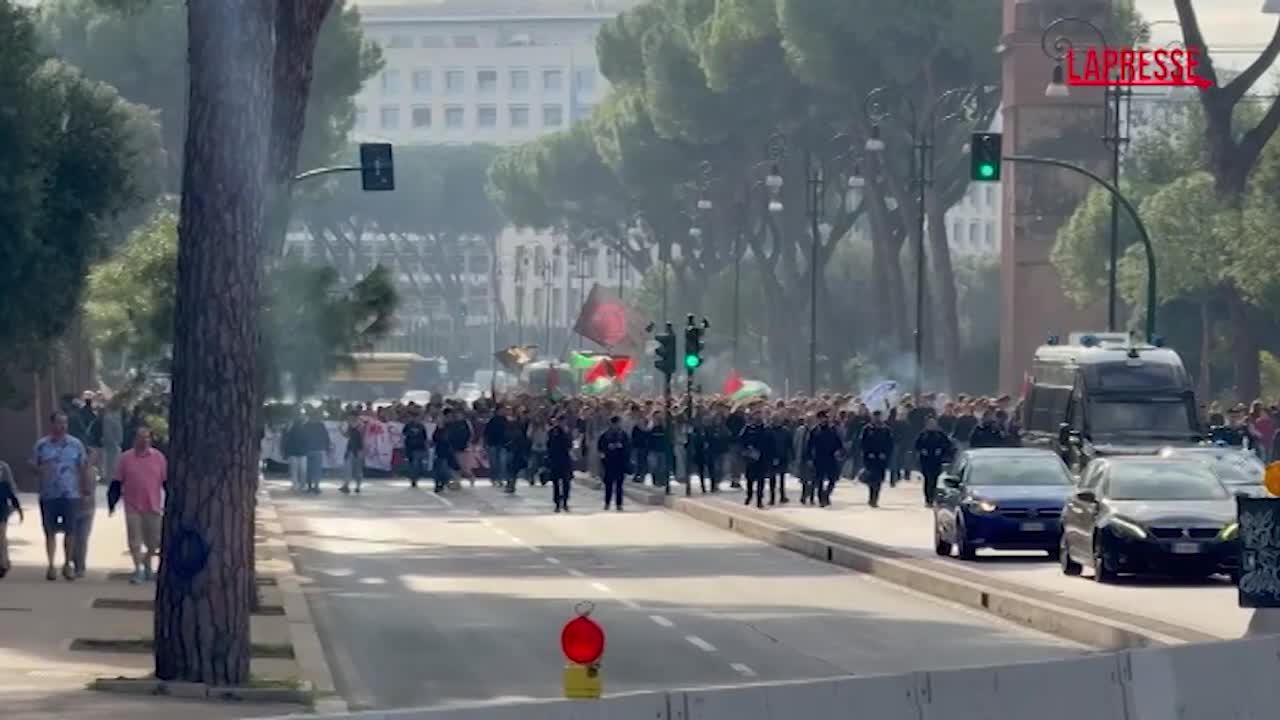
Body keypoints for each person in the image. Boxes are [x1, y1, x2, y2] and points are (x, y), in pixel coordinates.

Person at [30, 411, 91, 581]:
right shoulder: (42, 445)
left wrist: (85, 490)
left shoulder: (75, 444)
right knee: (49, 531)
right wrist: (40, 470)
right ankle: (51, 565)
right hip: (48, 494)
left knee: (70, 531)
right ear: (52, 424)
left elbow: (83, 467)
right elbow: (32, 465)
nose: (62, 426)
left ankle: (67, 564)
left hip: (70, 494)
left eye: (64, 423)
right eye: (58, 423)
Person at [111, 427, 166, 584]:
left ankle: (147, 561)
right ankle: (138, 569)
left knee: (154, 542)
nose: (144, 440)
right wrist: (112, 503)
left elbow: (166, 482)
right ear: (135, 439)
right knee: (135, 540)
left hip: (153, 505)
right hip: (132, 505)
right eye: (141, 437)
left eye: (147, 437)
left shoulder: (159, 458)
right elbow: (117, 482)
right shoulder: (125, 458)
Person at [915, 416, 954, 507]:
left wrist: (941, 449)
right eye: (930, 423)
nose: (932, 425)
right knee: (928, 480)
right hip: (925, 460)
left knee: (935, 479)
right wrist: (922, 450)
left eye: (933, 423)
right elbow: (917, 445)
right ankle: (928, 499)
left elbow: (948, 445)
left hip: (937, 460)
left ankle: (933, 497)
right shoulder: (923, 434)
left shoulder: (940, 434)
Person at [808, 410, 844, 507]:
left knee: (833, 478)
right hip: (819, 458)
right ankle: (821, 500)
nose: (824, 419)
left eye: (825, 417)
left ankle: (826, 494)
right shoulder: (815, 430)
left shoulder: (832, 429)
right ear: (819, 419)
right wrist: (809, 459)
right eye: (822, 418)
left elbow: (838, 442)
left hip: (831, 457)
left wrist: (839, 451)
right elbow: (810, 445)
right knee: (819, 480)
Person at [859, 411, 894, 508]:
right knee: (872, 478)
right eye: (875, 417)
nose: (877, 419)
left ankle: (875, 498)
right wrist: (868, 453)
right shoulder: (867, 429)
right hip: (870, 458)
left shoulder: (886, 429)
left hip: (882, 459)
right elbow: (863, 443)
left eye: (879, 417)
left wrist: (885, 454)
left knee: (879, 479)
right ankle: (872, 498)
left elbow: (890, 444)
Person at [739, 409, 772, 510]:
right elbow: (741, 439)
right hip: (751, 458)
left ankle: (759, 500)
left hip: (762, 457)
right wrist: (746, 449)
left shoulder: (766, 429)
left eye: (760, 415)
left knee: (761, 480)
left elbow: (771, 442)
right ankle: (749, 496)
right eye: (756, 415)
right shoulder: (748, 428)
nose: (758, 417)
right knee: (750, 479)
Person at [598, 416, 631, 511]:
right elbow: (600, 448)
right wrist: (607, 450)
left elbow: (628, 447)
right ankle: (607, 503)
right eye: (616, 423)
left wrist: (622, 448)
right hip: (609, 462)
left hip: (620, 462)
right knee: (608, 484)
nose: (617, 425)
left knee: (619, 485)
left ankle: (619, 504)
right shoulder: (605, 435)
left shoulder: (623, 435)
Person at [547, 414, 575, 512]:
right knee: (556, 483)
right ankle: (558, 503)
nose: (563, 423)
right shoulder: (553, 432)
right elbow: (550, 445)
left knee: (566, 482)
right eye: (561, 421)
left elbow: (570, 445)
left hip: (565, 460)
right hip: (556, 459)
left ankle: (565, 501)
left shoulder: (567, 432)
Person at [0, 459, 22, 578]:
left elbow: (12, 491)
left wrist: (16, 508)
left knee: (1, 536)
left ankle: (3, 562)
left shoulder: (3, 467)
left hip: (2, 509)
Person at [301, 408, 331, 493]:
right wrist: (327, 447)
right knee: (317, 470)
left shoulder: (305, 425)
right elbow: (326, 437)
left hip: (308, 450)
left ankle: (310, 486)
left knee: (309, 469)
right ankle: (316, 487)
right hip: (318, 449)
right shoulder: (320, 425)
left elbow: (302, 438)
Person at [401, 410, 429, 489]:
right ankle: (413, 478)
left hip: (419, 448)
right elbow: (404, 435)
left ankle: (415, 479)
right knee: (412, 464)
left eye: (416, 417)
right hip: (410, 448)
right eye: (413, 417)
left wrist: (425, 447)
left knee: (416, 464)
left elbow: (425, 438)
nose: (414, 419)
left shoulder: (421, 426)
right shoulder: (407, 426)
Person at [340, 412, 365, 495]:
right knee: (348, 468)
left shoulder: (361, 425)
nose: (349, 419)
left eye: (350, 417)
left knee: (358, 469)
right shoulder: (350, 425)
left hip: (358, 449)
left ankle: (358, 486)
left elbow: (363, 436)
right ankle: (346, 485)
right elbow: (347, 435)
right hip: (350, 448)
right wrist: (341, 430)